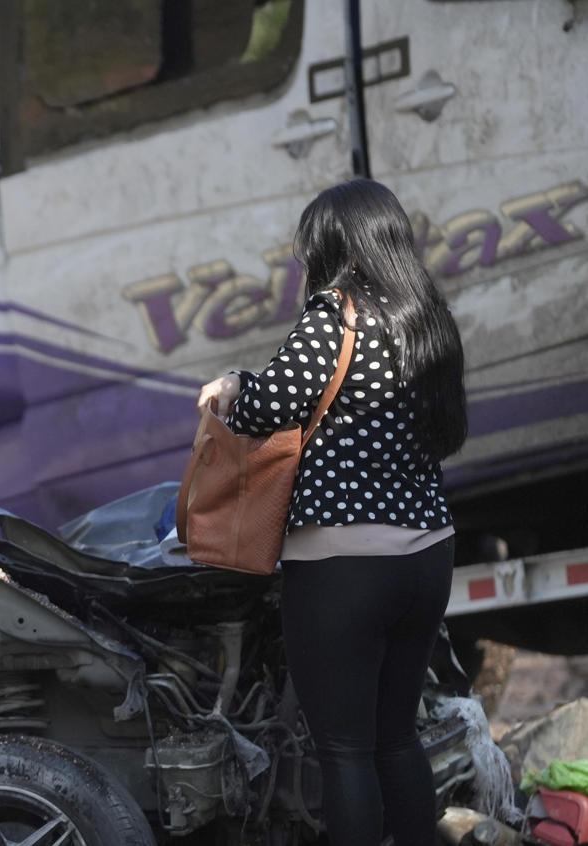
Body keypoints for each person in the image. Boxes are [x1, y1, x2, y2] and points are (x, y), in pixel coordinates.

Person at [198, 179, 466, 846]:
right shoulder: (423, 316)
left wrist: (234, 382)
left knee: (343, 749)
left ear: (333, 249)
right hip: (427, 553)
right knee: (396, 738)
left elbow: (266, 409)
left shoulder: (333, 317)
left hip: (343, 564)